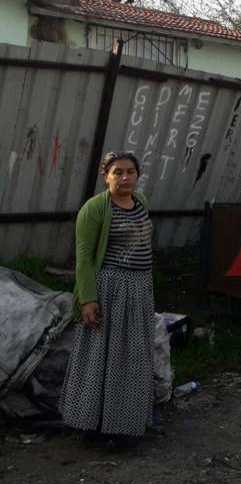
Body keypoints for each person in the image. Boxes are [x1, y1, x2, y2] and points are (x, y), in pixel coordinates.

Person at [61, 151, 156, 446]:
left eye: (130, 172)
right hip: (109, 292)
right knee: (101, 358)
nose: (125, 177)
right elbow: (83, 258)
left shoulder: (141, 203)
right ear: (106, 176)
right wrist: (88, 300)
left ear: (138, 175)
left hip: (139, 291)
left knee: (132, 358)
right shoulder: (94, 209)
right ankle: (93, 425)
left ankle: (125, 424)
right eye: (118, 172)